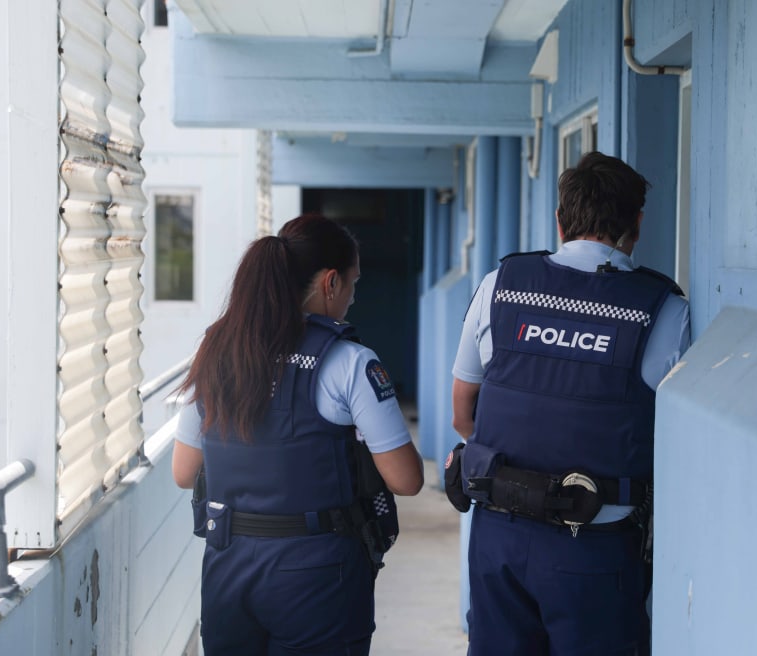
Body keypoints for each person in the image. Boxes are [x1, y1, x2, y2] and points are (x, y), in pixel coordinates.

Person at [446, 152, 690, 655]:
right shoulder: (665, 312)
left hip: (498, 537)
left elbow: (462, 414)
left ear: (560, 221)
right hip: (594, 549)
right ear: (637, 225)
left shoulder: (499, 288)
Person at [171, 214, 424, 656]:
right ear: (330, 283)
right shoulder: (350, 361)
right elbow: (407, 480)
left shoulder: (216, 351)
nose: (350, 299)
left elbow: (183, 471)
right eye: (352, 285)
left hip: (229, 570)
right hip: (318, 577)